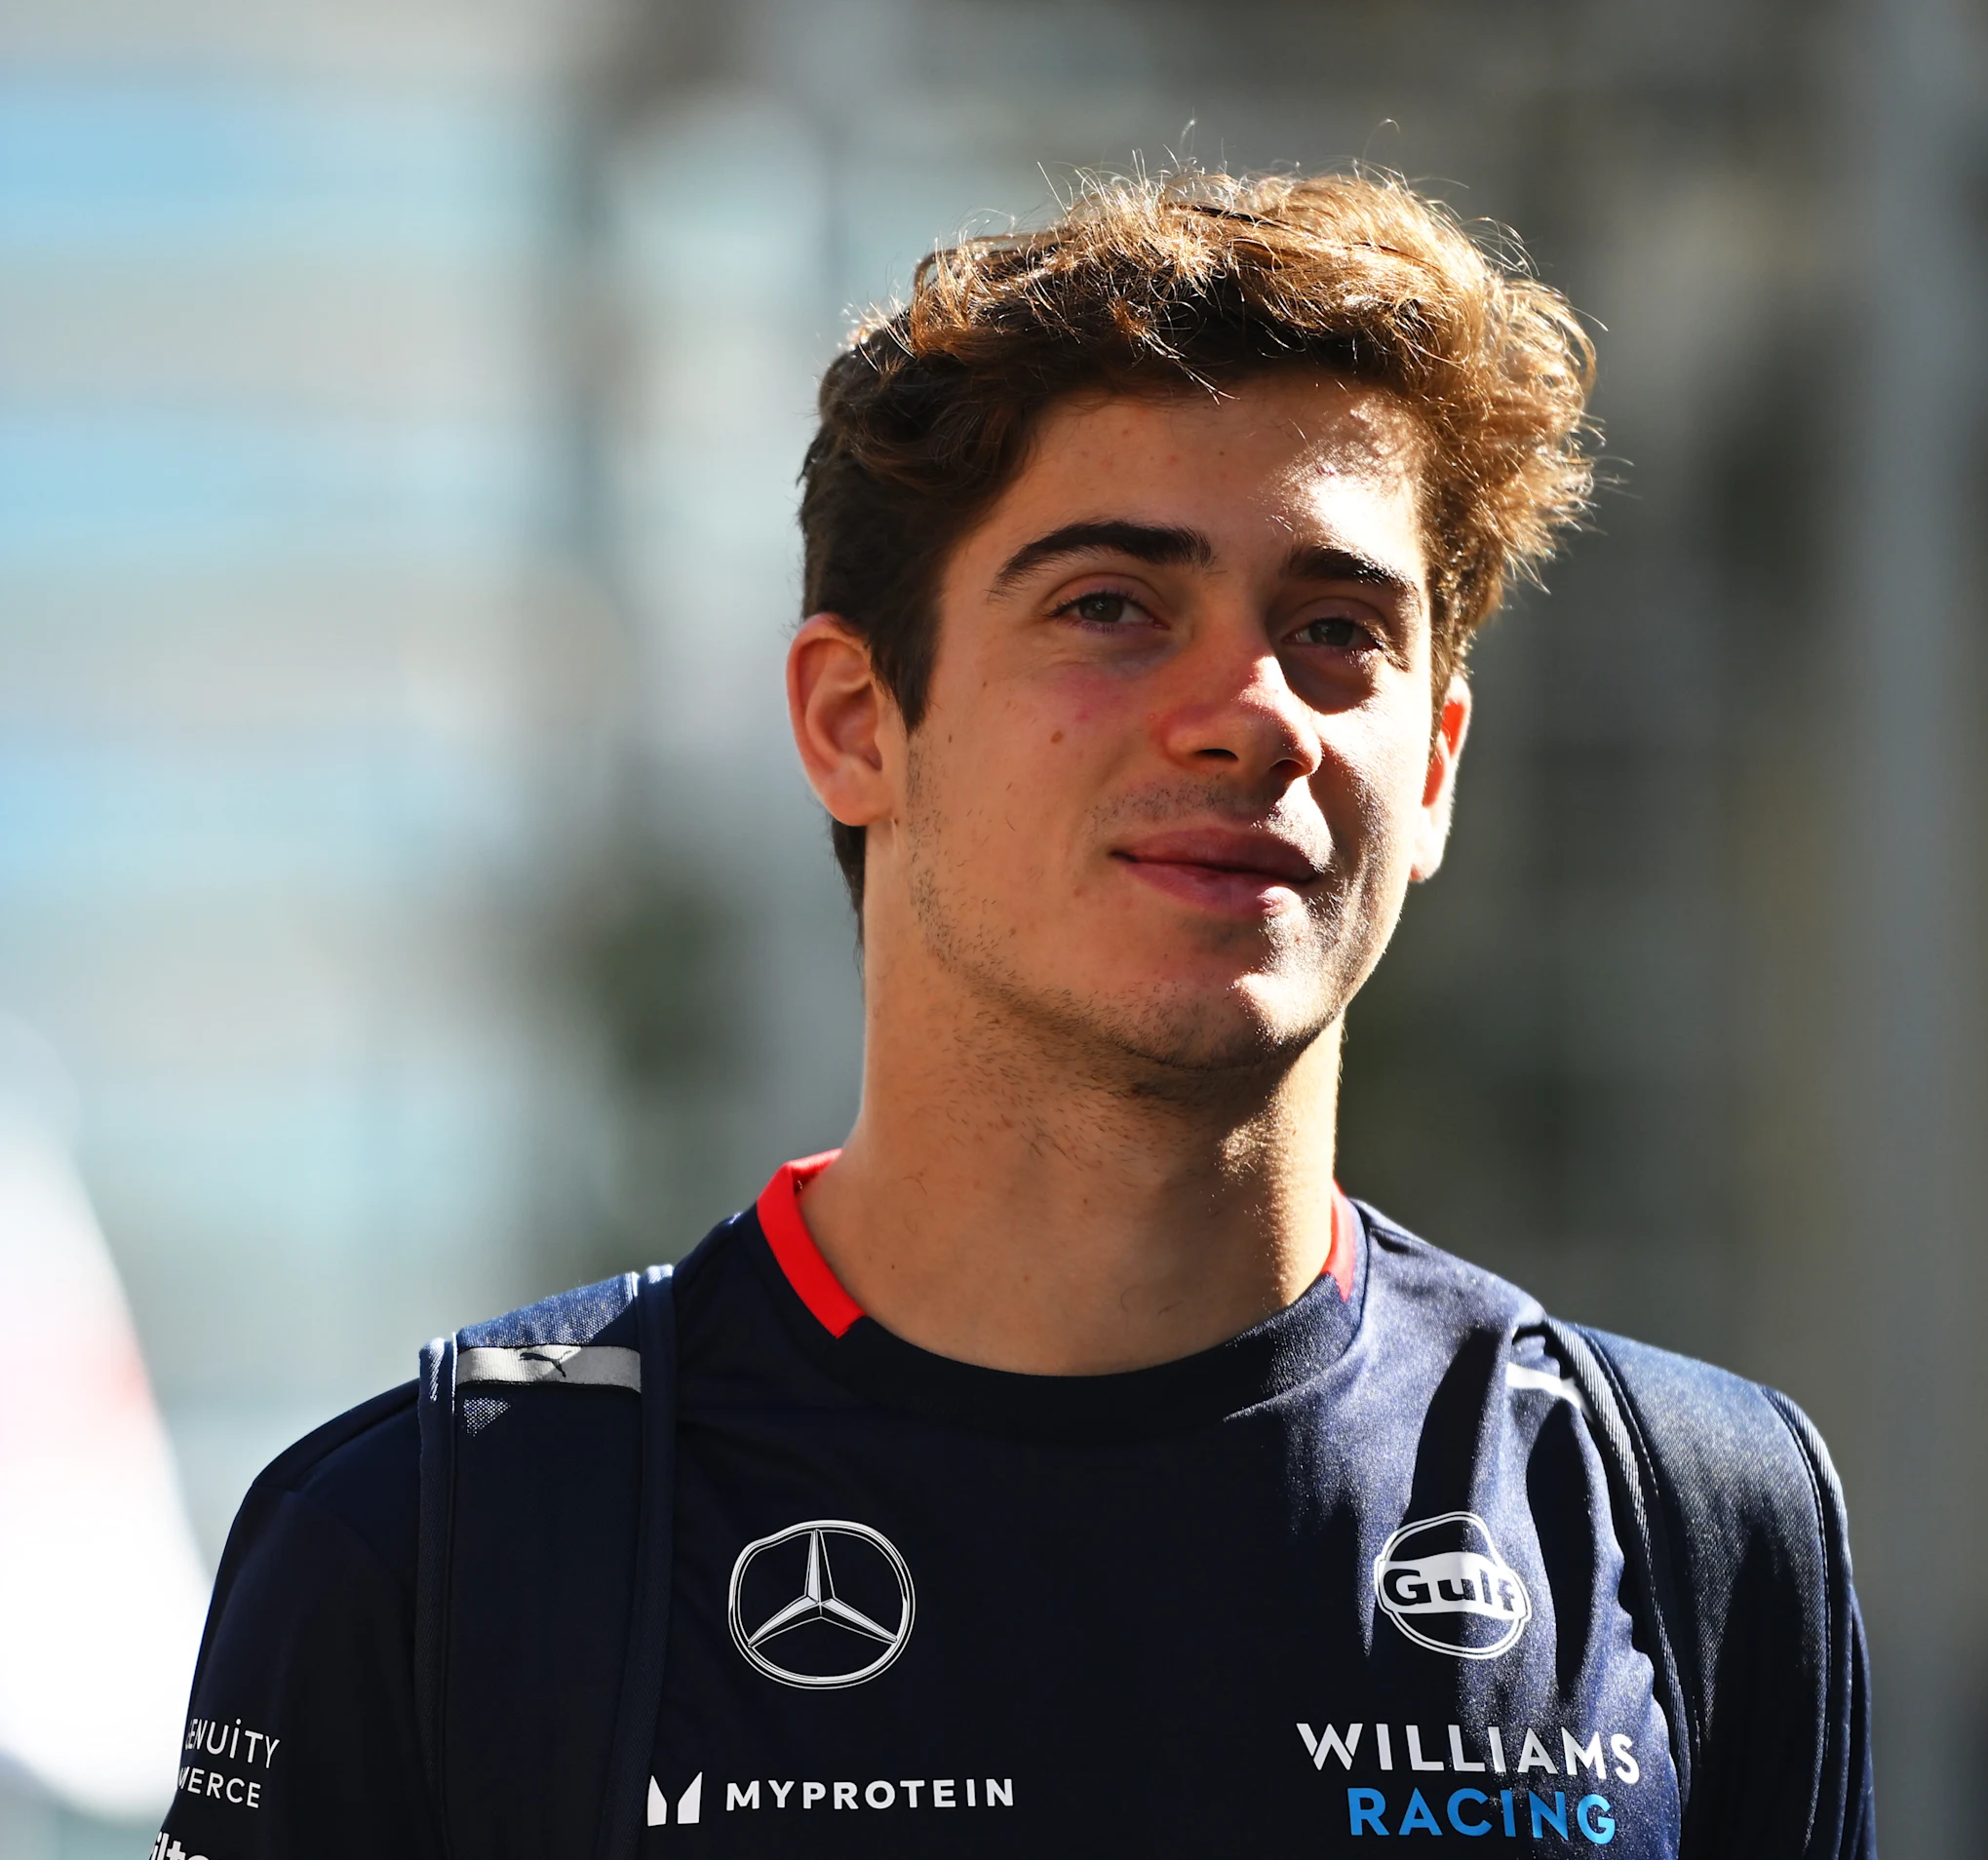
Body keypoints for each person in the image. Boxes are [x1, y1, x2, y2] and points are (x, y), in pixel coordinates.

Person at [153, 169, 1871, 1860]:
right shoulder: (438, 1540)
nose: (1252, 715)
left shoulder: (1691, 1518)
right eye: (1110, 606)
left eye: (1339, 629)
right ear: (854, 722)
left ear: (1432, 770)